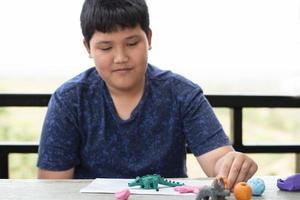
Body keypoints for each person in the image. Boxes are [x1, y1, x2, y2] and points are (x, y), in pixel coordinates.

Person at [37, 0, 257, 189]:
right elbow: (53, 187)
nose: (120, 57)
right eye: (105, 48)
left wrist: (231, 164)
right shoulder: (69, 100)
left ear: (149, 39)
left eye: (132, 43)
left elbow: (217, 160)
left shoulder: (182, 94)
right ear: (88, 47)